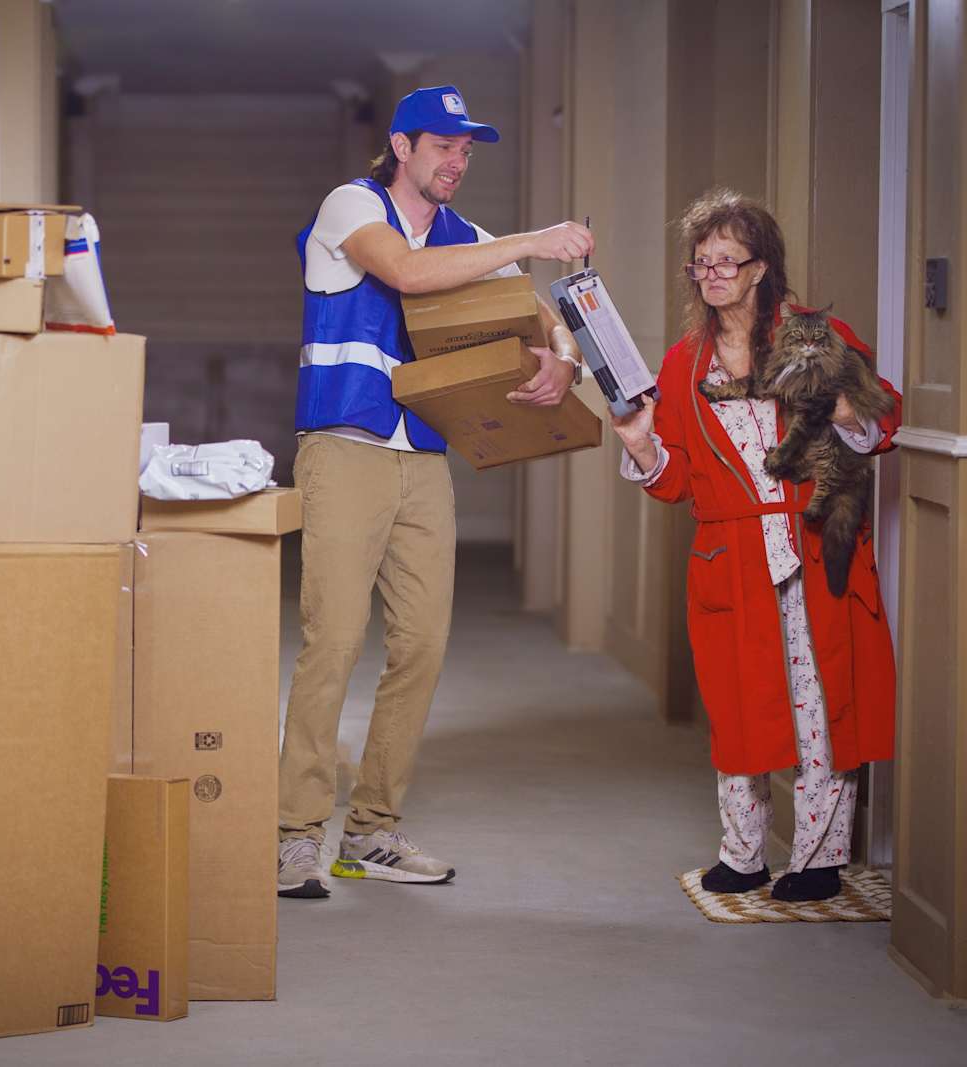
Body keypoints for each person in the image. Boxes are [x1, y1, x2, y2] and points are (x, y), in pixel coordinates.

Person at [278, 84, 595, 899]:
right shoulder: (351, 205)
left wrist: (561, 353)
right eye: (443, 145)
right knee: (336, 640)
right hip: (344, 448)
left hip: (422, 458)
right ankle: (294, 833)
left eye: (467, 150)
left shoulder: (470, 238)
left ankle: (373, 831)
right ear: (402, 144)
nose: (457, 160)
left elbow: (533, 306)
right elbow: (410, 275)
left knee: (421, 644)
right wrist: (535, 238)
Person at [611, 188, 900, 902]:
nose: (711, 275)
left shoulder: (816, 336)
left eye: (726, 262)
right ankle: (743, 853)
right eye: (700, 264)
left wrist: (833, 399)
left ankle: (819, 857)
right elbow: (677, 479)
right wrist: (643, 447)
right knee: (739, 704)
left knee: (819, 699)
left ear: (760, 268)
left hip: (812, 540)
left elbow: (882, 420)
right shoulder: (683, 364)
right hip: (731, 556)